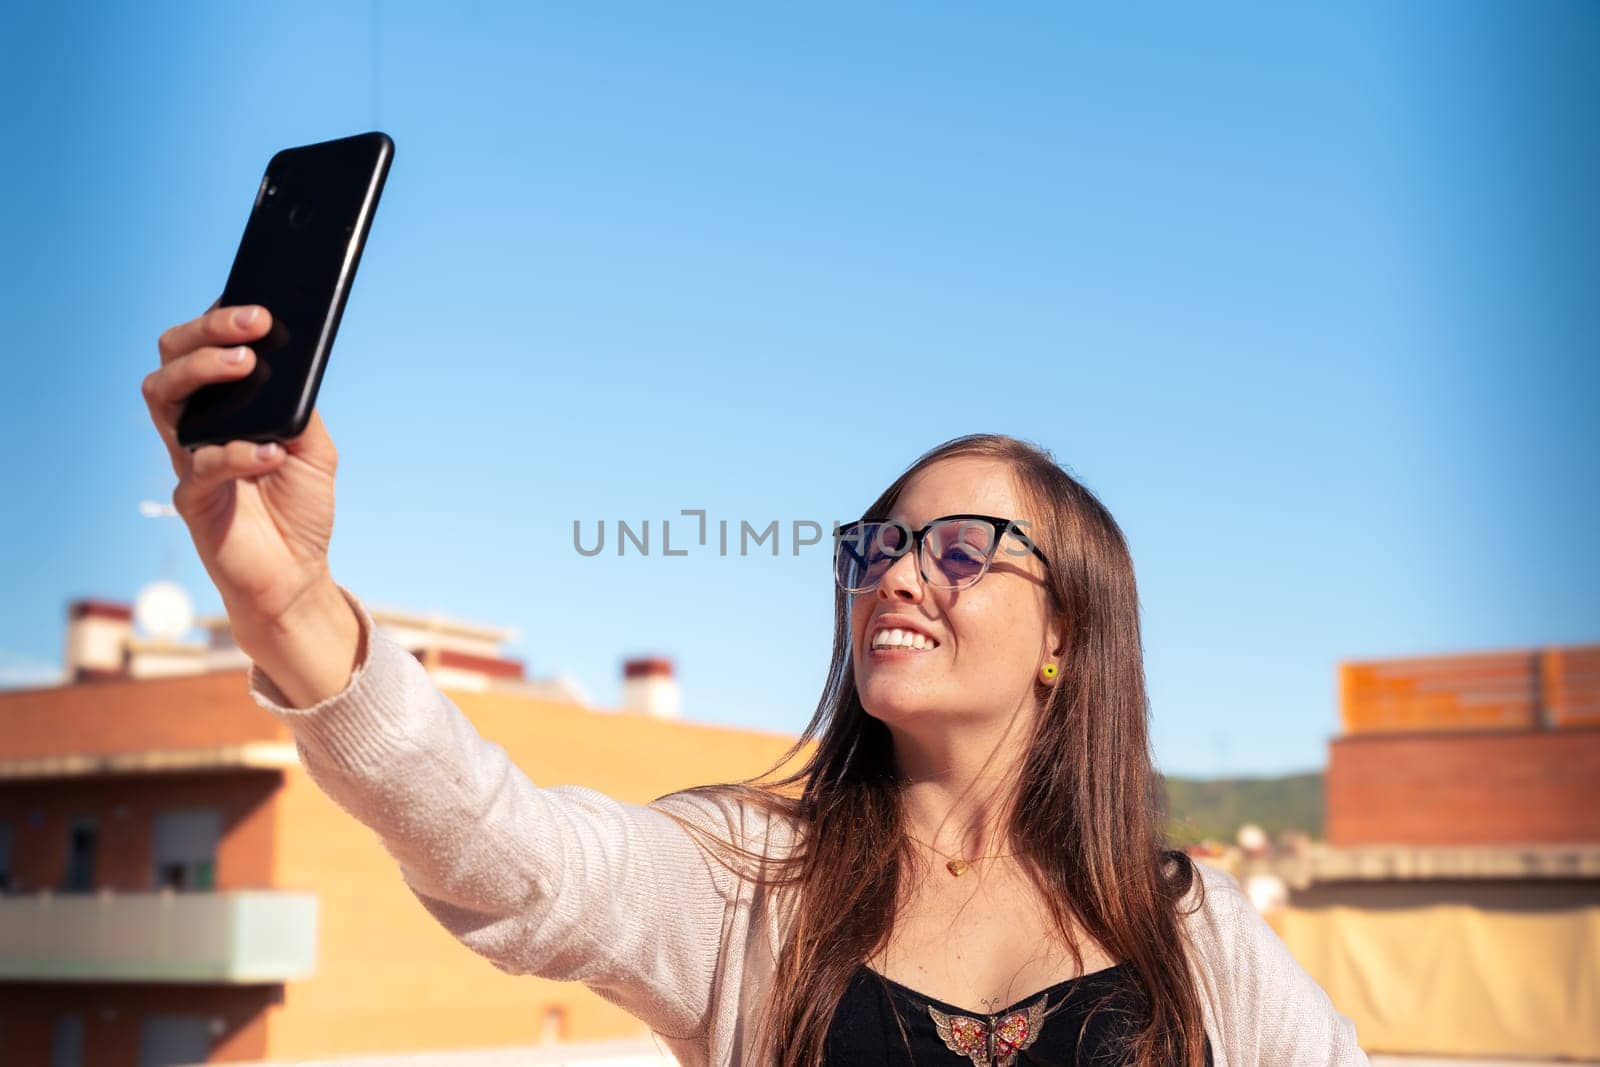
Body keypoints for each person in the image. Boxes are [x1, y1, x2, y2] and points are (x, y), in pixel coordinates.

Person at [143, 303, 1369, 1067]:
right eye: (874, 547)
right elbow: (501, 849)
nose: (895, 576)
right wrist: (288, 603)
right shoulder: (749, 878)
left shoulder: (1191, 930)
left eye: (955, 549)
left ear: (1066, 629)